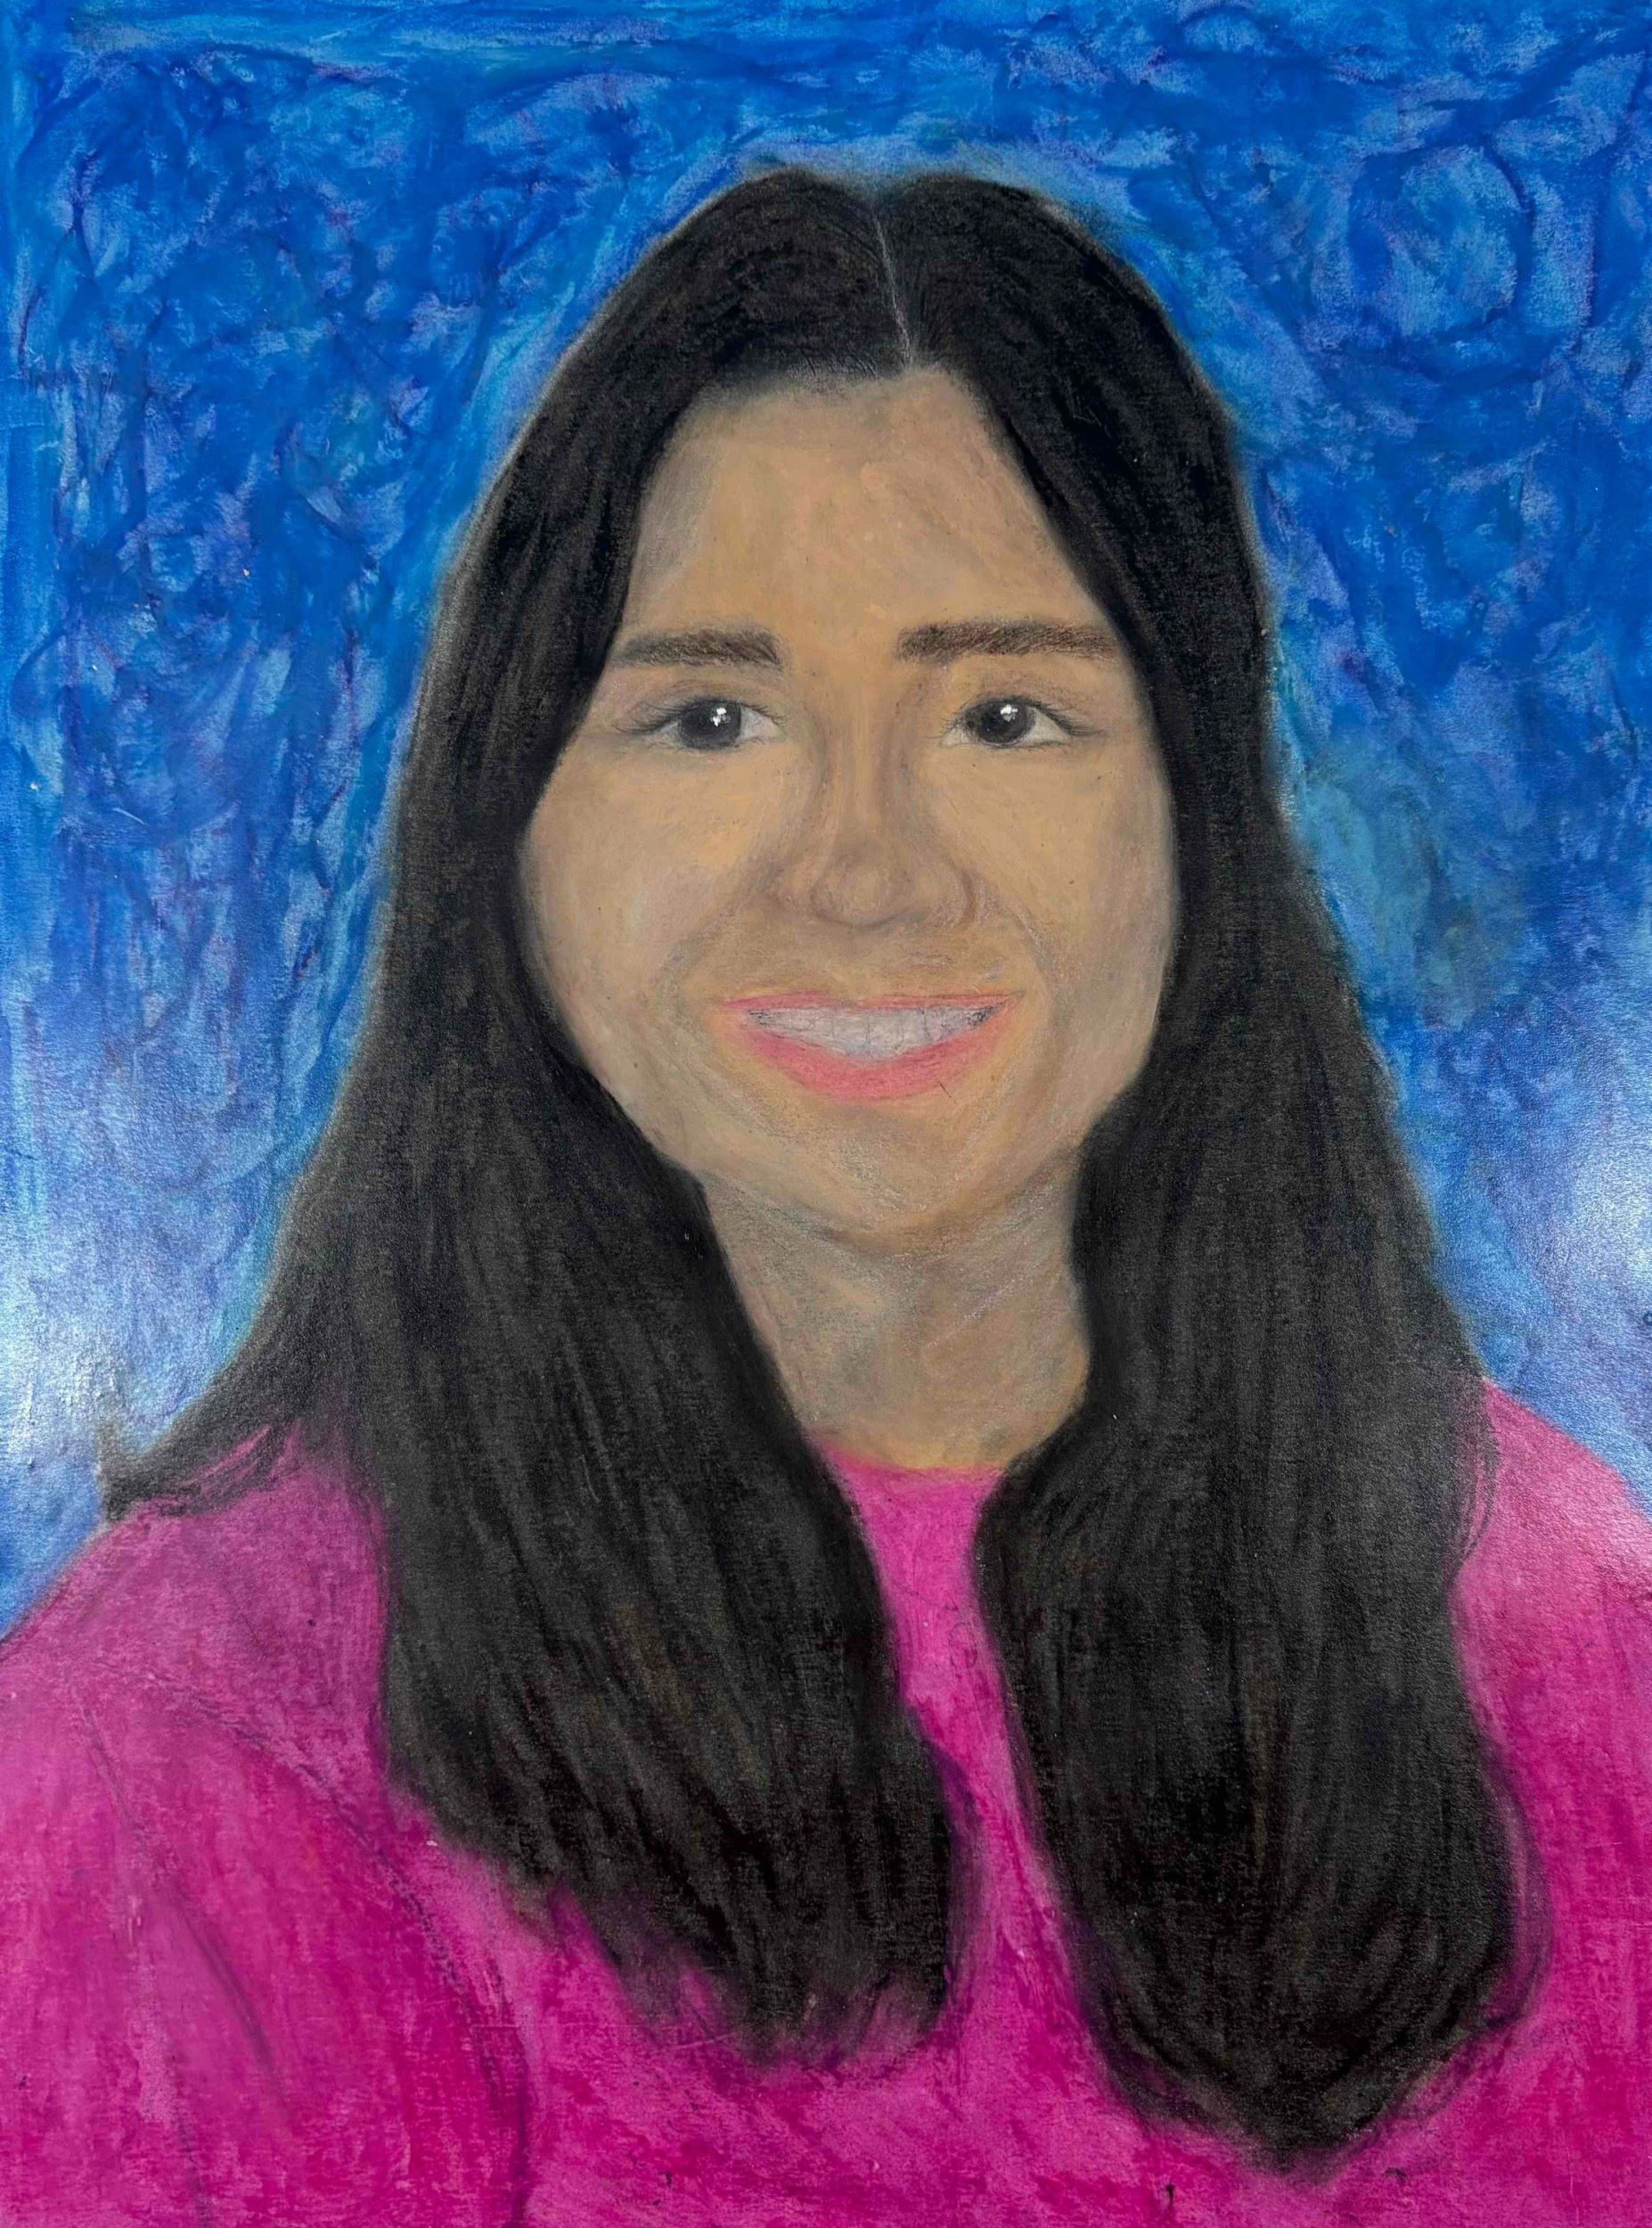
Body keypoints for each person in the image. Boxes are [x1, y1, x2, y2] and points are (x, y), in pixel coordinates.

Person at [2, 166, 1648, 2228]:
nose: (865, 871)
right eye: (711, 715)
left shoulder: (1563, 1639)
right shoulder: (193, 1723)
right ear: (515, 824)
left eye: (1006, 714)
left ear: (1198, 826)